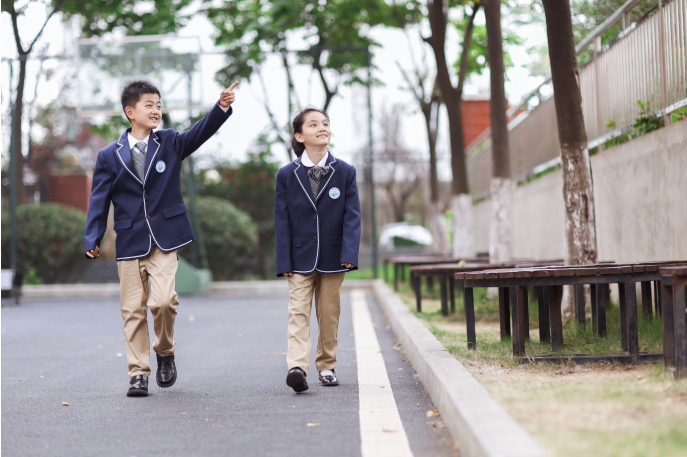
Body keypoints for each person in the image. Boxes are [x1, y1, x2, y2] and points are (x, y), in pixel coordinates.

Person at [84, 80, 239, 397]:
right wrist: (93, 236)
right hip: (129, 240)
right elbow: (99, 200)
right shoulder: (108, 156)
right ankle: (138, 373)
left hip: (165, 240)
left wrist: (220, 107)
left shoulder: (169, 141)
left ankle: (164, 351)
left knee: (164, 301)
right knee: (132, 310)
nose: (156, 110)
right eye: (149, 105)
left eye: (159, 104)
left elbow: (199, 133)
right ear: (130, 112)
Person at [274, 107, 361, 393]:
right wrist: (284, 259)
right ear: (300, 136)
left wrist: (349, 254)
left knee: (329, 313)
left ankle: (326, 366)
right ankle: (297, 367)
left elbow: (352, 216)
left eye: (325, 123)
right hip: (299, 257)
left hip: (334, 256)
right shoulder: (287, 174)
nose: (322, 127)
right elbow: (282, 219)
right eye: (313, 125)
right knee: (297, 311)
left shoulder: (346, 171)